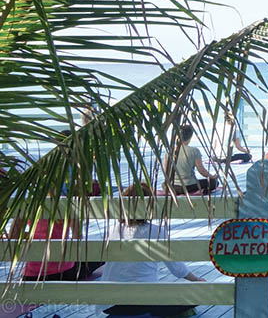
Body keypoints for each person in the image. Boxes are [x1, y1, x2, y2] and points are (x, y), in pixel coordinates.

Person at [97, 183, 206, 317]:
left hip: (110, 304)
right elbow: (177, 269)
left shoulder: (113, 230)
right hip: (144, 303)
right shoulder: (156, 231)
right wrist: (198, 281)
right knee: (194, 294)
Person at [10, 189, 103, 281]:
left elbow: (13, 237)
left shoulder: (28, 205)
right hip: (64, 273)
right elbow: (77, 238)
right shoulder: (65, 204)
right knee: (101, 257)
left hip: (31, 275)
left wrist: (33, 236)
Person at [168, 124, 218, 194]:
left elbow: (166, 171)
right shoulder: (194, 151)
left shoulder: (170, 151)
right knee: (214, 183)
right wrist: (212, 176)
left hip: (173, 186)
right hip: (188, 185)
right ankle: (201, 192)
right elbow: (202, 171)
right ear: (190, 137)